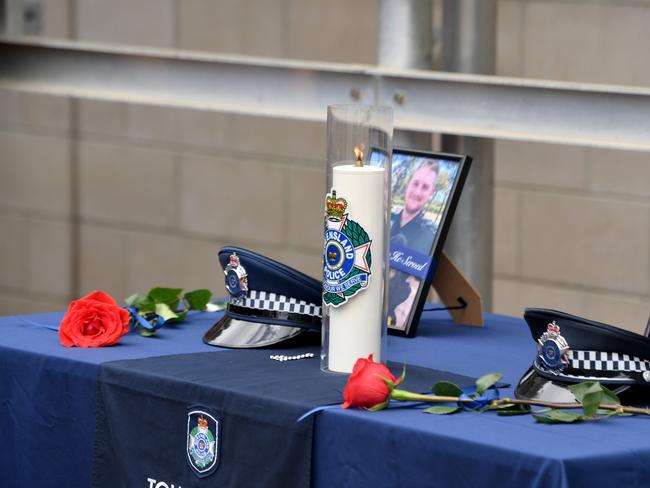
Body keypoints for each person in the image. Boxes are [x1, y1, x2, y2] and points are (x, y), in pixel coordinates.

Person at [388, 160, 439, 330]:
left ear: (431, 193)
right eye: (415, 183)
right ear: (408, 184)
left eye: (425, 187)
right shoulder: (385, 220)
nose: (417, 191)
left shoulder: (429, 235)